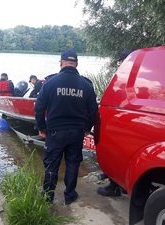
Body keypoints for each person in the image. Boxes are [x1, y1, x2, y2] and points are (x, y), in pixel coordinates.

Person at [35, 49, 98, 205]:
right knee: (73, 163)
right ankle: (69, 196)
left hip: (55, 132)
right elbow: (93, 111)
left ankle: (48, 196)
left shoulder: (50, 82)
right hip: (76, 132)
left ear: (61, 62)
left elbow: (38, 108)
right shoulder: (86, 84)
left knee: (51, 164)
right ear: (76, 63)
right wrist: (87, 128)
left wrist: (41, 128)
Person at [96, 49, 132, 197]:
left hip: (119, 122)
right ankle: (124, 184)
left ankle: (114, 186)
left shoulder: (124, 75)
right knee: (126, 155)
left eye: (120, 61)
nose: (119, 64)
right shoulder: (139, 74)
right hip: (130, 122)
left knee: (114, 153)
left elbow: (116, 96)